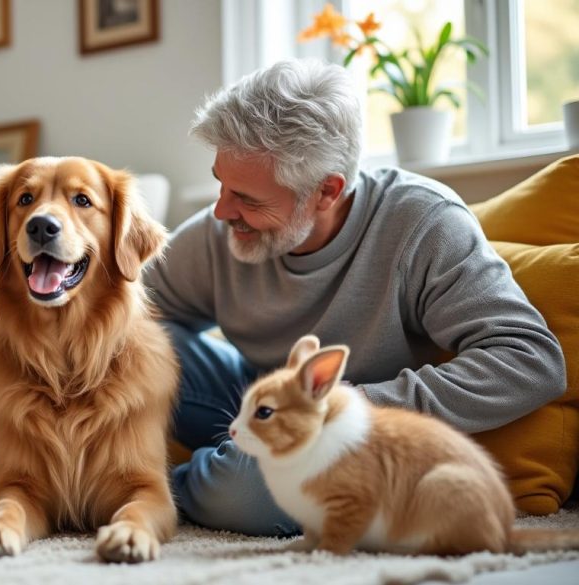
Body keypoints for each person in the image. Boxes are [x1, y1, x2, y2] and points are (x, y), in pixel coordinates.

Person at [145, 59, 567, 536]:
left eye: (247, 198)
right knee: (125, 342)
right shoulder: (217, 231)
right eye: (220, 183)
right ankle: (179, 473)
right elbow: (124, 306)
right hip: (253, 398)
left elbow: (532, 361)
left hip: (349, 443)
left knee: (245, 494)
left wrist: (351, 410)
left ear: (326, 191)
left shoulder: (424, 224)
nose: (222, 209)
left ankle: (154, 487)